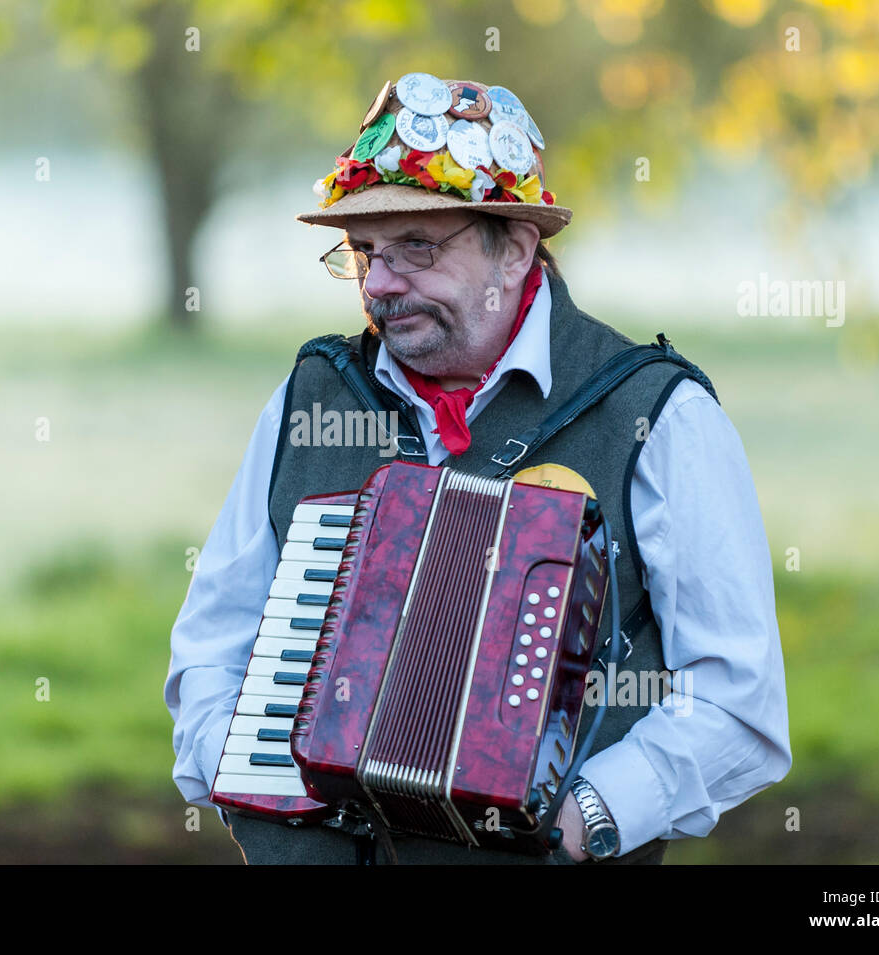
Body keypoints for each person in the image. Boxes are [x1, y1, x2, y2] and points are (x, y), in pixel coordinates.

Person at [164, 73, 791, 865]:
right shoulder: (312, 395)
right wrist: (254, 768)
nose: (382, 283)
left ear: (516, 247)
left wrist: (584, 816)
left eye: (417, 247)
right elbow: (212, 651)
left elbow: (738, 700)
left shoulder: (657, 415)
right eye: (363, 253)